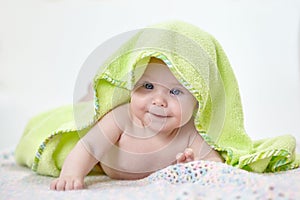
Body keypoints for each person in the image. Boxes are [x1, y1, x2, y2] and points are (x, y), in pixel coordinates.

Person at [50, 57, 223, 191]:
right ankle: (91, 96)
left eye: (175, 91)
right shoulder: (122, 117)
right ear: (132, 87)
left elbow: (215, 163)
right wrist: (71, 174)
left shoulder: (190, 131)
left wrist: (195, 165)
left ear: (197, 101)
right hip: (104, 167)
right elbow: (90, 146)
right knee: (84, 109)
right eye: (148, 86)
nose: (159, 101)